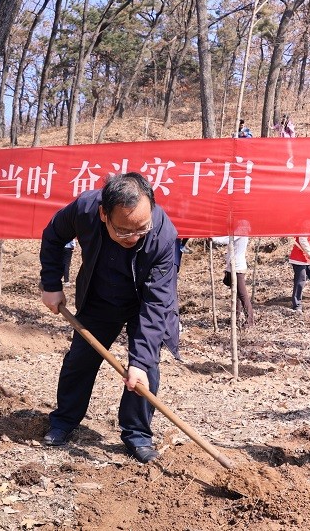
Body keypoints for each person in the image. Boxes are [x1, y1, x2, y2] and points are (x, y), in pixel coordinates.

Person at [39, 172, 179, 464]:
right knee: (79, 360)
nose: (134, 237)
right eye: (124, 231)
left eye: (141, 229)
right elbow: (53, 235)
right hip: (100, 297)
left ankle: (137, 435)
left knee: (145, 370)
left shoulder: (163, 235)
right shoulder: (85, 210)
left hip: (144, 304)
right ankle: (64, 421)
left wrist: (138, 362)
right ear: (104, 215)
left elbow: (157, 303)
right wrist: (51, 284)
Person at [223, 235, 254, 327]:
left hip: (237, 268)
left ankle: (250, 321)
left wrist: (212, 237)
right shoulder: (237, 232)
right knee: (235, 295)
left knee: (242, 295)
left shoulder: (239, 233)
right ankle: (235, 317)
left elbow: (225, 239)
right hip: (232, 267)